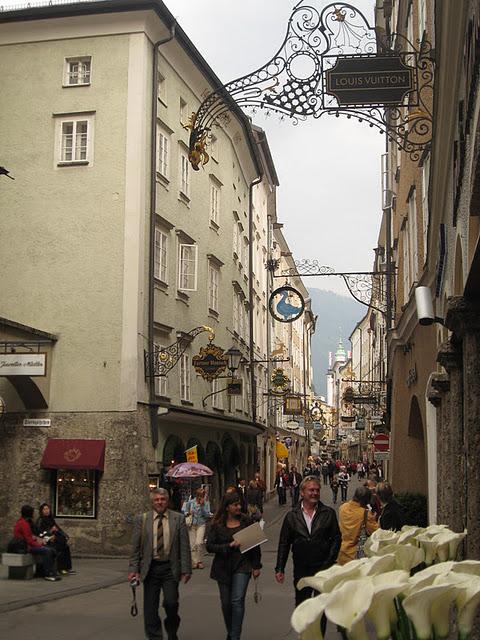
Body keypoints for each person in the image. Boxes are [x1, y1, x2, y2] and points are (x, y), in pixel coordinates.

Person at [128, 488, 192, 640]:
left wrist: (186, 569)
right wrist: (133, 569)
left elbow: (184, 546)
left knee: (171, 603)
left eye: (162, 499)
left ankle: (172, 630)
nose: (160, 502)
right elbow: (135, 548)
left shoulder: (178, 519)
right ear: (152, 501)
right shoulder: (142, 520)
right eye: (156, 500)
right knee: (150, 609)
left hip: (170, 568)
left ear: (167, 501)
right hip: (150, 568)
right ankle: (155, 636)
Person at [275, 476, 341, 606]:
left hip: (323, 568)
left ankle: (320, 627)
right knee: (302, 607)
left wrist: (330, 560)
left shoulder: (328, 513)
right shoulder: (292, 516)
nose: (315, 493)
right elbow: (284, 543)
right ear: (302, 492)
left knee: (321, 608)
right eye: (311, 490)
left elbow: (336, 538)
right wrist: (280, 568)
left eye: (317, 490)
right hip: (301, 569)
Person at [206, 492, 262, 640]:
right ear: (227, 507)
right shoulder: (217, 524)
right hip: (222, 567)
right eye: (235, 505)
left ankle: (235, 636)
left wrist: (256, 566)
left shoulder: (247, 521)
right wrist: (228, 546)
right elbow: (210, 546)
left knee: (237, 600)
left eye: (239, 504)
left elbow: (255, 545)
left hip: (242, 565)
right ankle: (231, 632)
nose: (239, 507)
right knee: (226, 603)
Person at [14, 505, 60, 581]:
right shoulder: (23, 523)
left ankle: (44, 572)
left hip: (28, 544)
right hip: (25, 547)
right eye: (32, 513)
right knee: (47, 551)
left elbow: (30, 536)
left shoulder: (24, 522)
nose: (33, 515)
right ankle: (48, 574)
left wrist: (37, 539)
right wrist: (40, 544)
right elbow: (29, 540)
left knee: (52, 550)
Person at [337, 486, 378, 565]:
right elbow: (376, 532)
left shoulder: (342, 508)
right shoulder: (365, 514)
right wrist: (374, 518)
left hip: (342, 552)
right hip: (356, 556)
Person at [36, 502, 75, 575]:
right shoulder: (40, 520)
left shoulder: (51, 519)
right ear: (41, 511)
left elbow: (58, 529)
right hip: (47, 541)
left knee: (65, 547)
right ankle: (60, 568)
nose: (46, 511)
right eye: (44, 509)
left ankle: (66, 567)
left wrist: (64, 535)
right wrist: (50, 531)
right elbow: (39, 533)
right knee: (59, 547)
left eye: (47, 509)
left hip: (54, 539)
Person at [182, 488, 211, 570]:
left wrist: (202, 507)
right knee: (192, 544)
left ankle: (200, 561)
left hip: (201, 524)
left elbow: (207, 515)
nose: (201, 497)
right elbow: (184, 510)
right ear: (197, 495)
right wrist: (188, 513)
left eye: (203, 495)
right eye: (200, 495)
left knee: (199, 542)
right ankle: (194, 562)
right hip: (191, 524)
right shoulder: (191, 502)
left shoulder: (206, 503)